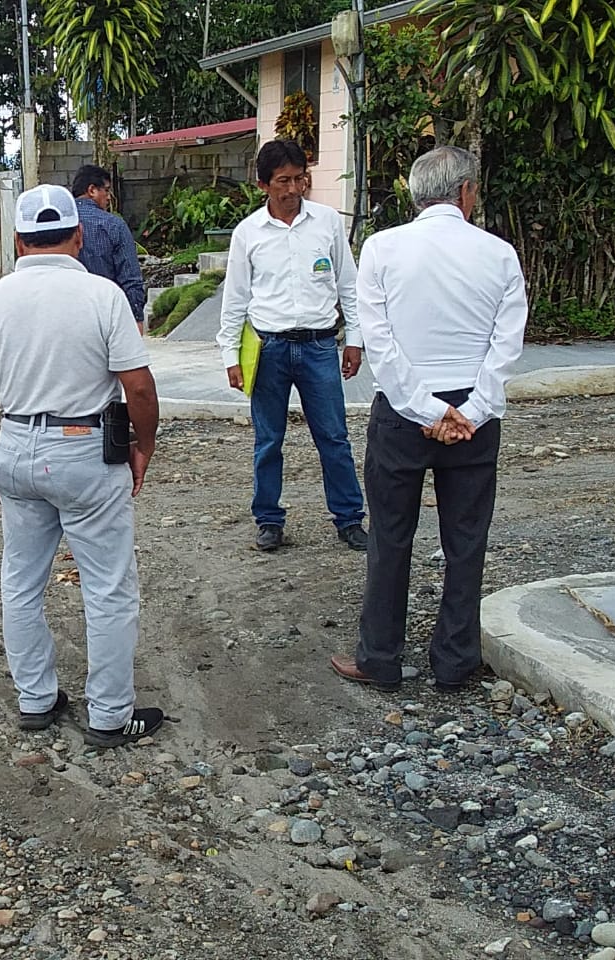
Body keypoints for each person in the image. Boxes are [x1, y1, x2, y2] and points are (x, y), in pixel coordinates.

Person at [0, 183, 164, 749]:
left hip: (16, 445)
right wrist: (144, 446)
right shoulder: (102, 296)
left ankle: (36, 699)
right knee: (108, 587)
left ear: (18, 242)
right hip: (83, 449)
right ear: (78, 237)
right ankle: (110, 715)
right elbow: (138, 387)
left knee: (21, 582)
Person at [330, 145, 527, 693]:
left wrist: (426, 408)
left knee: (390, 537)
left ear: (415, 194)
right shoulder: (499, 254)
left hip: (402, 411)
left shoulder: (382, 248)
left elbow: (380, 342)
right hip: (472, 411)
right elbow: (506, 344)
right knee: (466, 539)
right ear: (465, 192)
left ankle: (379, 658)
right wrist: (469, 411)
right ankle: (456, 661)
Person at [217, 139, 368, 553]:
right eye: (282, 180)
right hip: (269, 350)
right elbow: (235, 299)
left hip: (320, 347)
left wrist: (355, 340)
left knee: (334, 437)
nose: (292, 189)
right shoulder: (248, 233)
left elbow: (349, 285)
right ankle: (269, 520)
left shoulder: (327, 223)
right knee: (268, 440)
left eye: (299, 179)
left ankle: (349, 518)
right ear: (263, 184)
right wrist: (231, 356)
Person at [71, 164, 147, 333]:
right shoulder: (114, 225)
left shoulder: (60, 225)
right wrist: (136, 317)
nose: (109, 197)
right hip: (106, 317)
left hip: (65, 318)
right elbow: (130, 277)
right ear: (92, 190)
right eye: (106, 190)